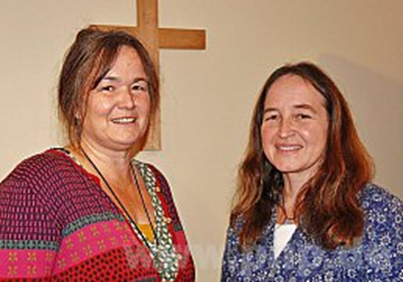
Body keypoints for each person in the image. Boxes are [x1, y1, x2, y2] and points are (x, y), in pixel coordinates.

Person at [0, 27, 195, 281]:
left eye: (138, 87)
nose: (127, 101)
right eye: (108, 88)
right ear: (77, 104)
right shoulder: (35, 185)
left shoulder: (155, 182)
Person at [221, 62, 403, 281]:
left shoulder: (379, 215)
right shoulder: (246, 221)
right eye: (272, 117)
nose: (284, 130)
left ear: (333, 125)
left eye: (302, 116)